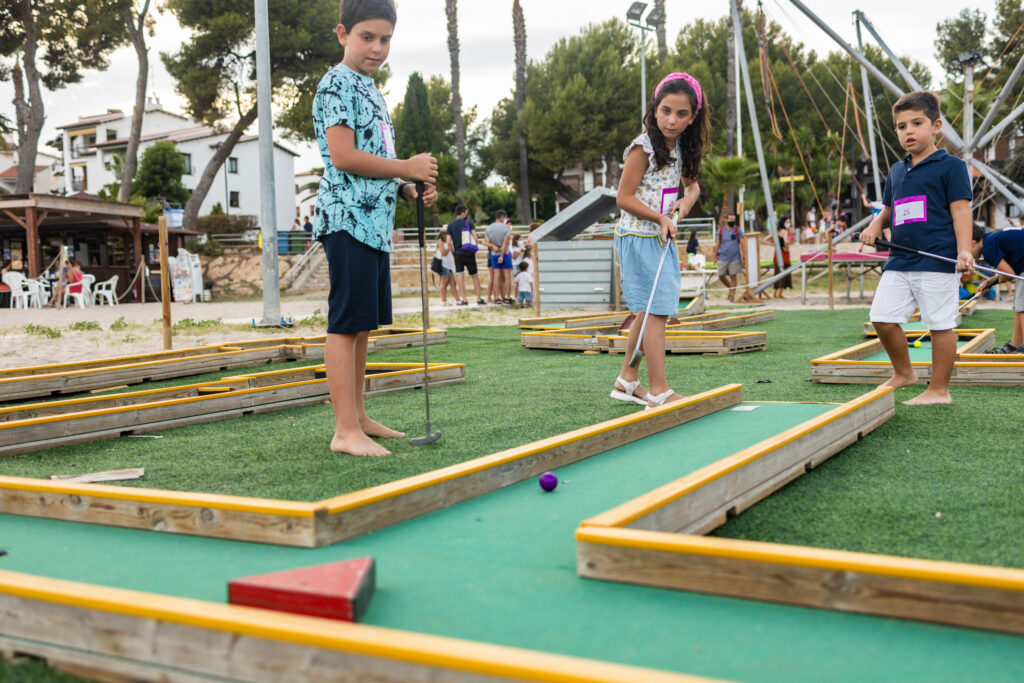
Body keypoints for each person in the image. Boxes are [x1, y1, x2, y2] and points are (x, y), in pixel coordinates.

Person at [312, 0, 438, 456]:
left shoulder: (371, 89)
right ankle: (344, 430)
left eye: (385, 39)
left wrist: (406, 186)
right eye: (368, 37)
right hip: (345, 219)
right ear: (343, 34)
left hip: (373, 223)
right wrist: (406, 165)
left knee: (363, 325)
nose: (378, 47)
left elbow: (374, 160)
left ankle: (359, 416)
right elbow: (343, 156)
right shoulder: (335, 85)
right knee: (345, 324)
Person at [858, 90, 975, 406]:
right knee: (882, 317)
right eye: (900, 126)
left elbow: (961, 210)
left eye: (916, 123)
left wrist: (965, 251)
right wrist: (874, 225)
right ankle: (905, 372)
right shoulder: (897, 170)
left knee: (939, 325)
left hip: (937, 259)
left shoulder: (951, 166)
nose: (908, 131)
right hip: (899, 260)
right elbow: (888, 208)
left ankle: (939, 390)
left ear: (936, 126)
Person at [611, 71, 709, 409]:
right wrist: (661, 217)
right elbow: (623, 198)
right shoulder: (643, 148)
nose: (672, 120)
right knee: (657, 312)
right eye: (666, 110)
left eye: (682, 114)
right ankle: (658, 390)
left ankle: (627, 378)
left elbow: (692, 187)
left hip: (660, 236)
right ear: (655, 109)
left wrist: (686, 202)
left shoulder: (681, 145)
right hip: (639, 236)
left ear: (693, 117)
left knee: (648, 311)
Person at [972, 227, 1024, 353]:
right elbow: (1010, 271)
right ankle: (1014, 345)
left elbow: (1009, 274)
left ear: (972, 242)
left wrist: (992, 281)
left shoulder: (988, 248)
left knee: (1023, 307)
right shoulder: (991, 239)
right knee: (1019, 306)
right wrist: (989, 282)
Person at [446, 204, 485, 305]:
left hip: (458, 254)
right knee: (474, 276)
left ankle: (464, 299)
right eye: (466, 213)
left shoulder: (450, 226)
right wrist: (475, 250)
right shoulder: (468, 223)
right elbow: (475, 238)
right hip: (469, 252)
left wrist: (453, 252)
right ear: (463, 213)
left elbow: (448, 242)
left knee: (460, 277)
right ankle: (479, 299)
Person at [483, 209, 512, 304]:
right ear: (502, 217)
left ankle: (496, 297)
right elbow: (505, 244)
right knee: (507, 276)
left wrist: (493, 246)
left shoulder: (489, 228)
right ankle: (507, 297)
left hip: (494, 254)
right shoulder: (505, 229)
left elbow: (486, 242)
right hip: (505, 253)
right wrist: (502, 255)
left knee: (496, 276)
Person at [714, 213, 744, 301]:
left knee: (733, 276)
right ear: (726, 220)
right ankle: (731, 288)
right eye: (730, 219)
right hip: (723, 257)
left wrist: (744, 257)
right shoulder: (721, 231)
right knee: (721, 276)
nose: (732, 221)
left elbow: (742, 244)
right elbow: (718, 244)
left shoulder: (738, 230)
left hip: (735, 257)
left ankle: (732, 296)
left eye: (733, 220)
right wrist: (714, 256)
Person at [763, 216, 792, 299]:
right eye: (787, 222)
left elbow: (764, 240)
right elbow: (786, 241)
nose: (788, 224)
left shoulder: (776, 231)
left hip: (777, 253)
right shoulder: (785, 231)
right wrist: (787, 247)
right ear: (783, 223)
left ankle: (774, 293)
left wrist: (774, 245)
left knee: (777, 272)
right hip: (784, 254)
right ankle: (779, 293)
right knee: (784, 272)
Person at [434, 228, 455, 305]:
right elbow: (443, 253)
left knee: (453, 283)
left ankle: (457, 300)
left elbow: (452, 251)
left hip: (449, 265)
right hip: (444, 265)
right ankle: (443, 301)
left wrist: (450, 246)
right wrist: (449, 248)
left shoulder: (448, 242)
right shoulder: (440, 242)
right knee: (444, 283)